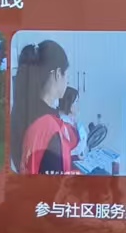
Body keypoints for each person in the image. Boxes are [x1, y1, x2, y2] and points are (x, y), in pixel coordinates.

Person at [12, 40, 78, 175]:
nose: (67, 81)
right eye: (66, 74)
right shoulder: (49, 125)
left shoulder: (21, 111)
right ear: (57, 74)